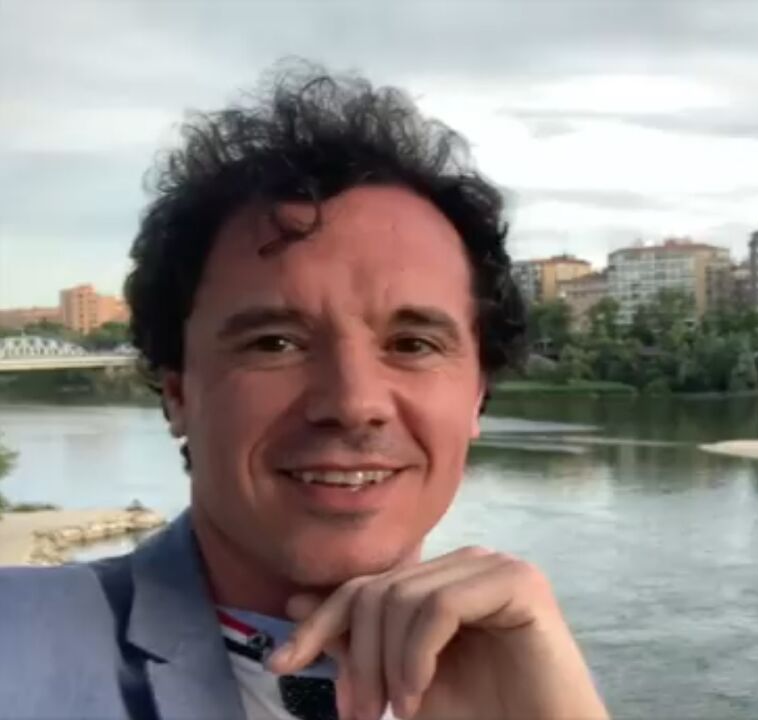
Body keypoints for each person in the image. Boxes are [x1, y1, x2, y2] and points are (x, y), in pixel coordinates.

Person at [0, 62, 610, 720]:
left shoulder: (523, 680)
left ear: (477, 398)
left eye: (412, 345)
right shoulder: (19, 645)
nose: (354, 404)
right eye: (274, 344)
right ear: (177, 391)